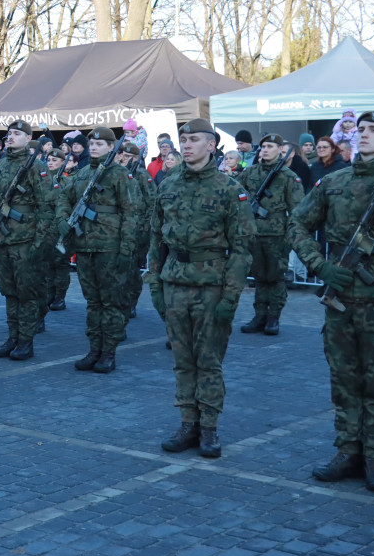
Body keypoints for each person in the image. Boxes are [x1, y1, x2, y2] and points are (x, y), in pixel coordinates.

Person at [289, 109, 374, 492]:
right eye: (360, 129)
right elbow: (296, 224)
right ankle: (348, 451)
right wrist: (319, 266)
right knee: (344, 379)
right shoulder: (334, 182)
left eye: (373, 130)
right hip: (341, 300)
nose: (363, 135)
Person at [149, 118, 256, 458]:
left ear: (211, 145)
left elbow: (242, 248)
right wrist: (154, 283)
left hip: (211, 286)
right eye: (184, 139)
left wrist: (231, 297)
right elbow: (156, 239)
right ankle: (187, 421)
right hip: (175, 282)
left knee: (208, 361)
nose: (187, 144)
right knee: (182, 360)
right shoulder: (167, 184)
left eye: (194, 139)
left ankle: (209, 426)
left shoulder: (228, 188)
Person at [56, 127, 139, 373]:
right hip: (85, 247)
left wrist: (126, 249)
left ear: (112, 147)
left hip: (110, 248)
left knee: (110, 302)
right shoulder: (81, 174)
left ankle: (108, 352)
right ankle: (94, 349)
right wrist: (61, 218)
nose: (93, 147)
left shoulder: (119, 175)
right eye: (92, 143)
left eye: (100, 144)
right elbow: (63, 198)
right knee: (93, 302)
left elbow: (130, 212)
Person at [0, 120, 53, 362]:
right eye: (8, 134)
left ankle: (26, 340)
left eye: (16, 134)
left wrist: (40, 242)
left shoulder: (36, 167)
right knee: (9, 292)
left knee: (27, 293)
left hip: (25, 239)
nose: (10, 137)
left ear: (28, 138)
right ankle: (13, 336)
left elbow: (47, 206)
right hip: (2, 239)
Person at [237, 134, 304, 336]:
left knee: (275, 277)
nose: (265, 150)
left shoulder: (288, 177)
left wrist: (291, 236)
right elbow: (236, 190)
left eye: (270, 146)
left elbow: (298, 209)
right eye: (263, 146)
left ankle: (273, 317)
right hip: (255, 232)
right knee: (259, 277)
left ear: (279, 149)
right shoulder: (252, 172)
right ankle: (259, 315)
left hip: (277, 234)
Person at [116, 143, 155, 322]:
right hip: (119, 229)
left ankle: (131, 302)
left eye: (127, 155)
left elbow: (152, 202)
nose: (124, 157)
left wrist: (144, 228)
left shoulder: (142, 175)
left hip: (138, 230)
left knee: (132, 271)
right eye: (122, 154)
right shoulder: (118, 173)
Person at [44, 148, 72, 311]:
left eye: (55, 160)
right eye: (49, 160)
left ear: (63, 162)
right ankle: (49, 294)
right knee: (47, 264)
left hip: (60, 229)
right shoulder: (42, 180)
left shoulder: (67, 182)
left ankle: (60, 296)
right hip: (45, 229)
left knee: (60, 264)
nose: (51, 162)